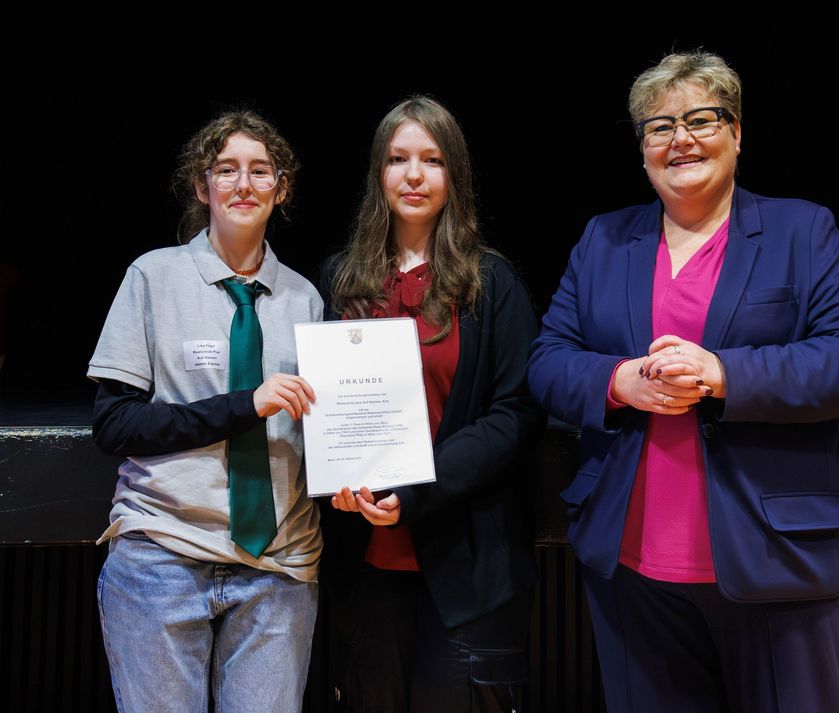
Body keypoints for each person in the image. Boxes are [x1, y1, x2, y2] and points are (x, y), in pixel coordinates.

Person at [526, 51, 839, 713]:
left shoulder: (801, 230)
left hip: (779, 565)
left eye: (700, 119)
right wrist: (617, 379)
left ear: (738, 131)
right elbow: (547, 359)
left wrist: (725, 372)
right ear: (641, 148)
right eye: (659, 127)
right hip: (632, 570)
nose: (680, 139)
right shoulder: (602, 239)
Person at [88, 110, 322, 712]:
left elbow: (323, 436)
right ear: (202, 186)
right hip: (163, 556)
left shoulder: (306, 299)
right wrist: (245, 404)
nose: (244, 185)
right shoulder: (152, 276)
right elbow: (116, 425)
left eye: (260, 171)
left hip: (278, 566)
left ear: (282, 188)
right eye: (226, 170)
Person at [319, 95, 544, 713]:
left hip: (470, 568)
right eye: (397, 159)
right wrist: (334, 477)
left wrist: (416, 490)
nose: (414, 175)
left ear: (456, 175)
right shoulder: (339, 280)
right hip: (363, 562)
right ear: (378, 173)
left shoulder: (491, 282)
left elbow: (517, 412)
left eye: (432, 160)